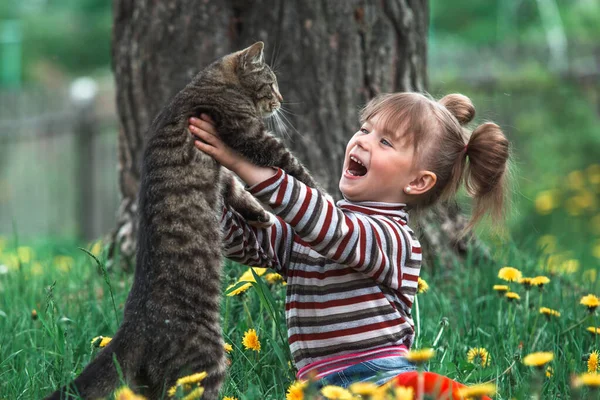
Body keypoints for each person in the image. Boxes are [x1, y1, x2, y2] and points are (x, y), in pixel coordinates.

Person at [188, 92, 510, 393]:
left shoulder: (394, 240)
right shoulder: (315, 228)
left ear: (418, 181)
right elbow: (251, 240)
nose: (362, 141)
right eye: (364, 129)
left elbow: (334, 231)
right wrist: (204, 193)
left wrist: (244, 164)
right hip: (318, 388)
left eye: (385, 141)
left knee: (419, 391)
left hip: (383, 379)